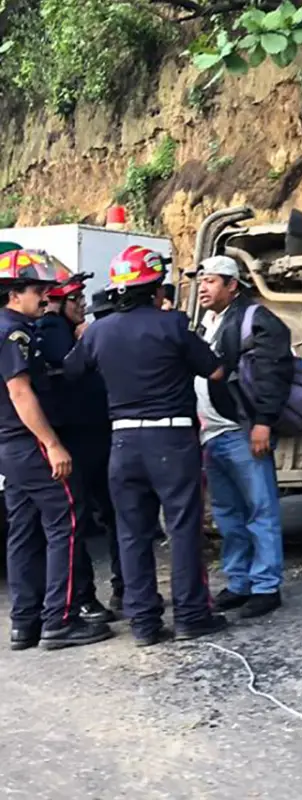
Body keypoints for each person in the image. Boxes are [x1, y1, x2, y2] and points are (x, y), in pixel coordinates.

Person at [65, 245, 228, 647]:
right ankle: (191, 615)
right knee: (183, 529)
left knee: (132, 533)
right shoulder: (172, 325)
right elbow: (217, 371)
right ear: (155, 289)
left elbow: (70, 371)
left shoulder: (98, 331)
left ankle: (144, 624)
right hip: (171, 440)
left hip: (122, 442)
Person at [0, 249, 114, 650]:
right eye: (37, 290)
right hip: (29, 443)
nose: (45, 298)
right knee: (66, 521)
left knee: (23, 531)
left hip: (10, 448)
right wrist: (51, 443)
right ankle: (60, 620)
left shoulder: (14, 329)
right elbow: (19, 392)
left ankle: (25, 622)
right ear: (15, 293)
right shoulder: (13, 332)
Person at [192, 255, 292, 619]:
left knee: (259, 509)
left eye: (212, 280)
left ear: (233, 285)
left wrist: (263, 422)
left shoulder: (256, 319)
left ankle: (266, 585)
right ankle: (239, 581)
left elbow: (273, 373)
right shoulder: (205, 323)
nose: (203, 287)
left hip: (242, 431)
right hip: (211, 433)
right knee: (227, 513)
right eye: (201, 280)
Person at [33, 263, 116, 623]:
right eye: (75, 299)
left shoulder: (66, 327)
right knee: (77, 521)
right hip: (77, 440)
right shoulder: (52, 328)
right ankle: (83, 597)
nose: (81, 304)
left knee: (108, 516)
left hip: (94, 435)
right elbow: (68, 367)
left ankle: (120, 589)